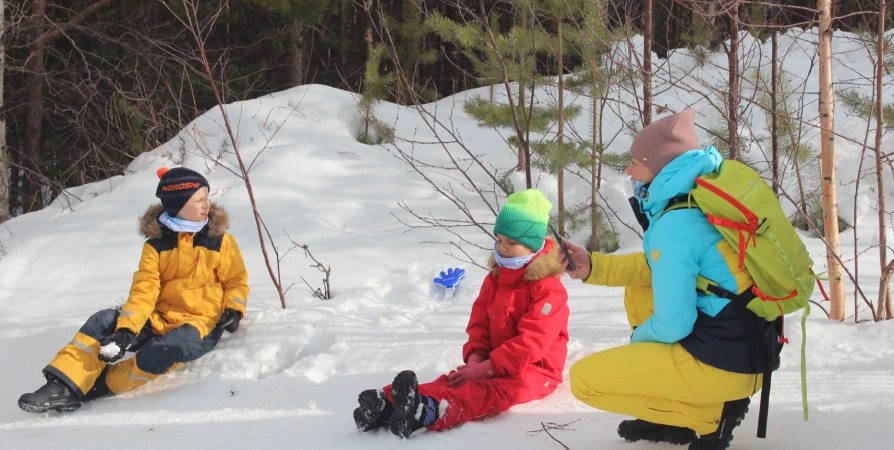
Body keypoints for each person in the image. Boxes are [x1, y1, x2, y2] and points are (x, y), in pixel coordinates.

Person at [561, 109, 766, 450]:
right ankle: (670, 414)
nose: (628, 170)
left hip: (724, 364)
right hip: (747, 350)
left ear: (659, 167)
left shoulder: (677, 224)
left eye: (635, 162)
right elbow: (657, 269)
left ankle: (712, 416)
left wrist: (640, 343)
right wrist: (592, 267)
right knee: (640, 290)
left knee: (584, 381)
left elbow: (674, 324)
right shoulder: (698, 198)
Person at [18, 167, 250, 413]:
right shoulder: (156, 245)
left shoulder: (219, 240)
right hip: (159, 317)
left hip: (199, 324)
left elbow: (236, 280)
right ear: (179, 204)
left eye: (207, 197)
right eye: (199, 199)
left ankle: (101, 385)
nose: (207, 204)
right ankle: (62, 385)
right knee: (103, 321)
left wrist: (234, 310)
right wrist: (126, 332)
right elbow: (144, 290)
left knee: (163, 351)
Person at [353, 189, 569, 438]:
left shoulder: (548, 289)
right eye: (499, 240)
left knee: (485, 393)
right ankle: (388, 404)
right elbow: (480, 322)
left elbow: (531, 343)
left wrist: (488, 369)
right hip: (493, 361)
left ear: (533, 245)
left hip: (534, 371)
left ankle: (428, 411)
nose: (503, 248)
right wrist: (477, 356)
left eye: (512, 243)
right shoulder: (496, 277)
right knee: (455, 380)